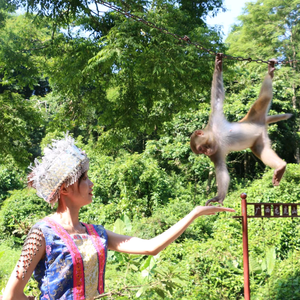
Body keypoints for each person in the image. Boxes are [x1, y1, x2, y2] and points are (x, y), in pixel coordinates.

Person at [3, 134, 235, 300]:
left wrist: (194, 213)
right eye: (84, 178)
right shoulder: (42, 233)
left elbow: (150, 247)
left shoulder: (95, 234)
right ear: (64, 189)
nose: (91, 183)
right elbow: (10, 295)